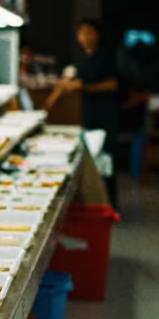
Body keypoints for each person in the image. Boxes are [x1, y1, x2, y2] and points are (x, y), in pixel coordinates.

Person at [49, 18, 120, 203]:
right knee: (90, 160)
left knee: (105, 159)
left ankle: (109, 202)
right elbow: (67, 83)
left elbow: (113, 84)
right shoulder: (81, 60)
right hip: (86, 114)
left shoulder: (106, 57)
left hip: (104, 115)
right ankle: (95, 201)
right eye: (81, 33)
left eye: (89, 32)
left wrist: (84, 86)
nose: (85, 37)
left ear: (97, 34)